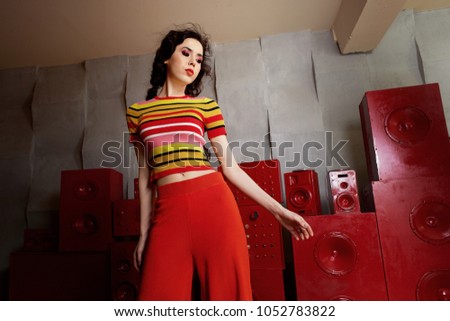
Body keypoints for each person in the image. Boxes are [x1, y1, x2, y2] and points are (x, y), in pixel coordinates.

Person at [126, 24, 313, 301]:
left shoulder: (205, 106)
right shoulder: (137, 112)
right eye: (186, 53)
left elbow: (230, 166)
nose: (193, 62)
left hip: (214, 205)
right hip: (168, 212)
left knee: (230, 298)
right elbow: (144, 177)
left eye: (199, 59)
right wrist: (143, 235)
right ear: (166, 57)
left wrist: (278, 211)